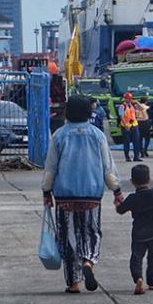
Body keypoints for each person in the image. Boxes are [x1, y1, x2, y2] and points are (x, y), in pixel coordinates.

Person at [42, 95, 123, 293]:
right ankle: (88, 261)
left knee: (67, 236)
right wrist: (117, 191)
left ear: (67, 111)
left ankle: (73, 282)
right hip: (91, 195)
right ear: (89, 111)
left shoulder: (59, 135)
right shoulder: (98, 135)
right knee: (91, 232)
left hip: (64, 196)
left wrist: (46, 192)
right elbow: (108, 168)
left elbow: (50, 168)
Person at [116, 164, 153, 295]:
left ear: (132, 182)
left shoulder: (132, 198)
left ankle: (138, 278)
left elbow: (120, 210)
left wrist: (118, 202)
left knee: (136, 257)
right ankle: (152, 282)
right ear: (149, 179)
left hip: (138, 233)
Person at [118, 93, 142, 162]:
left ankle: (136, 157)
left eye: (131, 98)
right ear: (125, 99)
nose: (130, 100)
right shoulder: (122, 106)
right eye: (128, 98)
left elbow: (142, 108)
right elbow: (121, 116)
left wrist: (137, 102)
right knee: (126, 142)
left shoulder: (132, 105)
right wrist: (125, 126)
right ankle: (127, 157)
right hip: (126, 126)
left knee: (136, 141)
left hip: (134, 125)